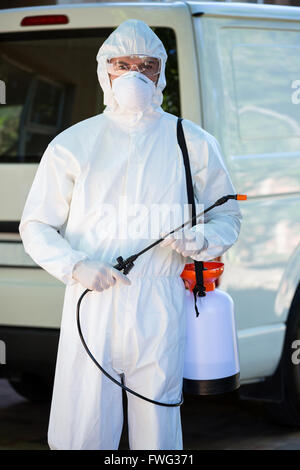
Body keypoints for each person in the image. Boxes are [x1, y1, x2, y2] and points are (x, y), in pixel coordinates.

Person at [19, 19, 242, 450]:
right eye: (123, 64)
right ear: (105, 71)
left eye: (147, 65)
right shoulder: (74, 143)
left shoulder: (190, 141)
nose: (135, 74)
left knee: (159, 433)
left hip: (160, 303)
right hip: (92, 303)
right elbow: (36, 225)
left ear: (161, 74)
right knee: (83, 429)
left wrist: (204, 239)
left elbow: (227, 213)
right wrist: (76, 265)